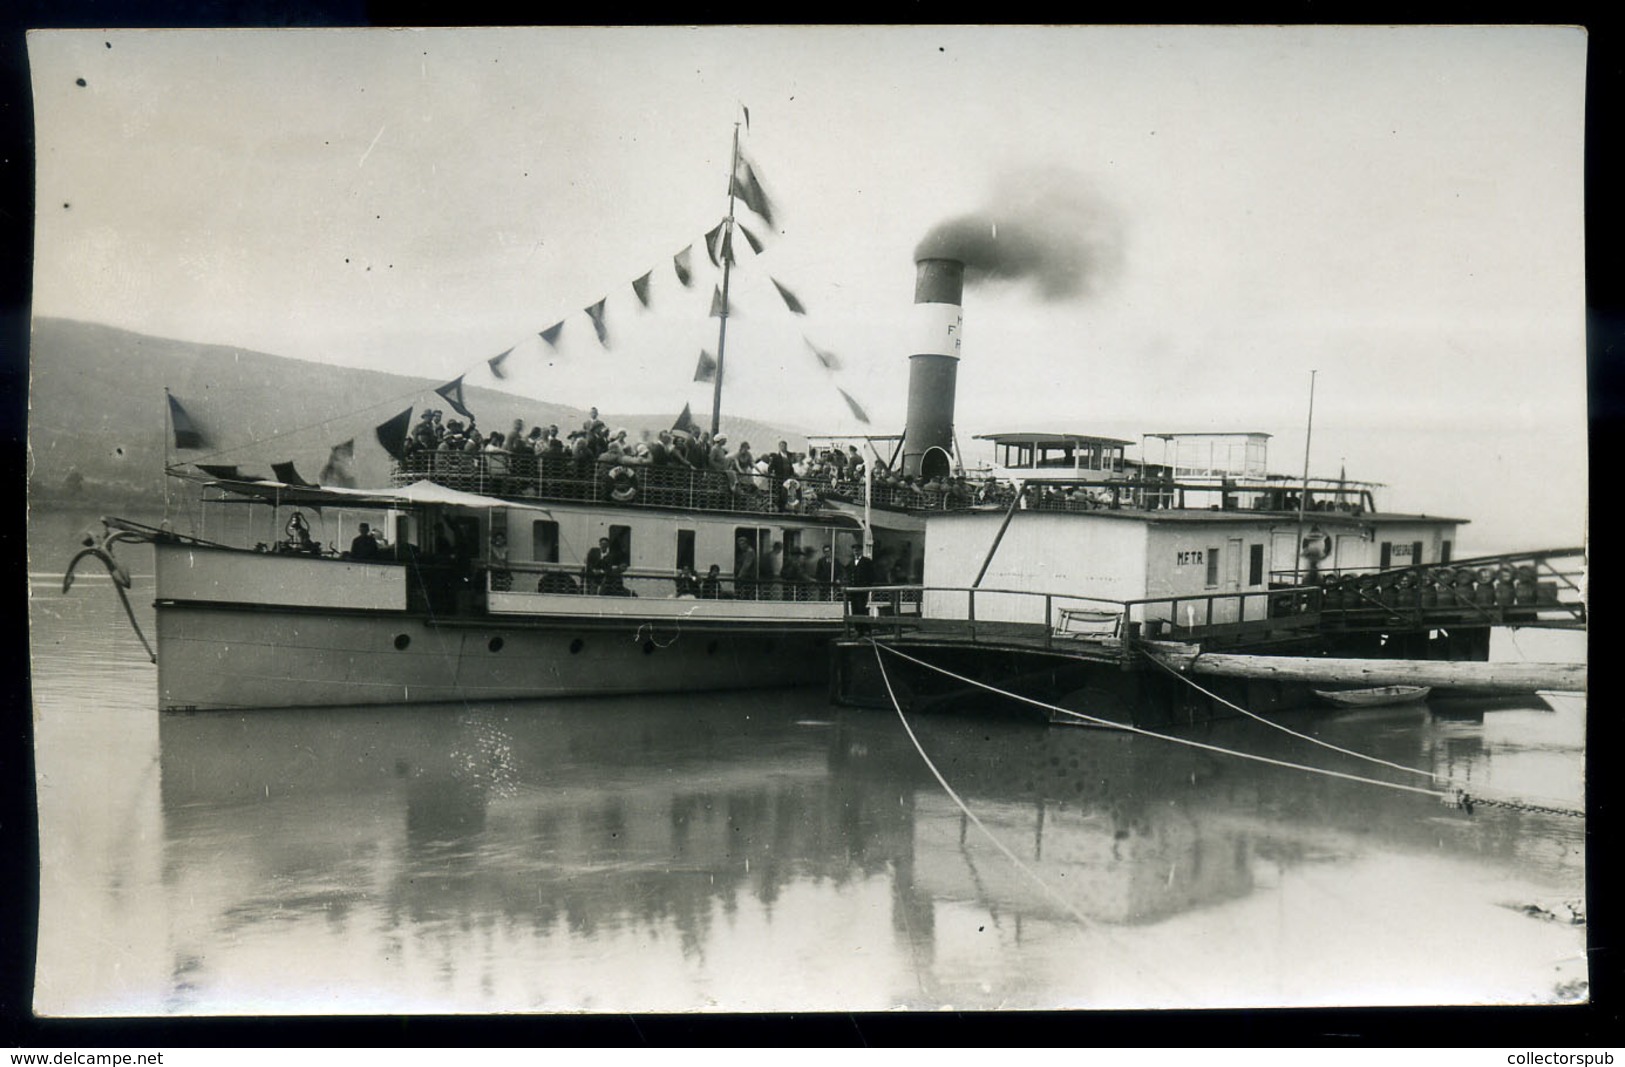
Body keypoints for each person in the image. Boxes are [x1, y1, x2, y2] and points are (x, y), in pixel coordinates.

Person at [845, 544, 875, 615]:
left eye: (857, 550)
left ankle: (862, 625)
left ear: (861, 551)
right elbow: (849, 574)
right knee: (854, 609)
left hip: (862, 590)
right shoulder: (851, 562)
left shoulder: (867, 562)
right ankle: (856, 625)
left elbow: (871, 575)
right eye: (854, 550)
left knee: (861, 608)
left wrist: (868, 587)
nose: (856, 552)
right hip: (853, 591)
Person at [734, 535, 757, 600]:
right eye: (739, 545)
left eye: (742, 544)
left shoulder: (750, 551)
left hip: (749, 577)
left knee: (747, 594)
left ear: (746, 543)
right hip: (745, 577)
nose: (741, 546)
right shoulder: (744, 552)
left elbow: (746, 565)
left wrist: (739, 576)